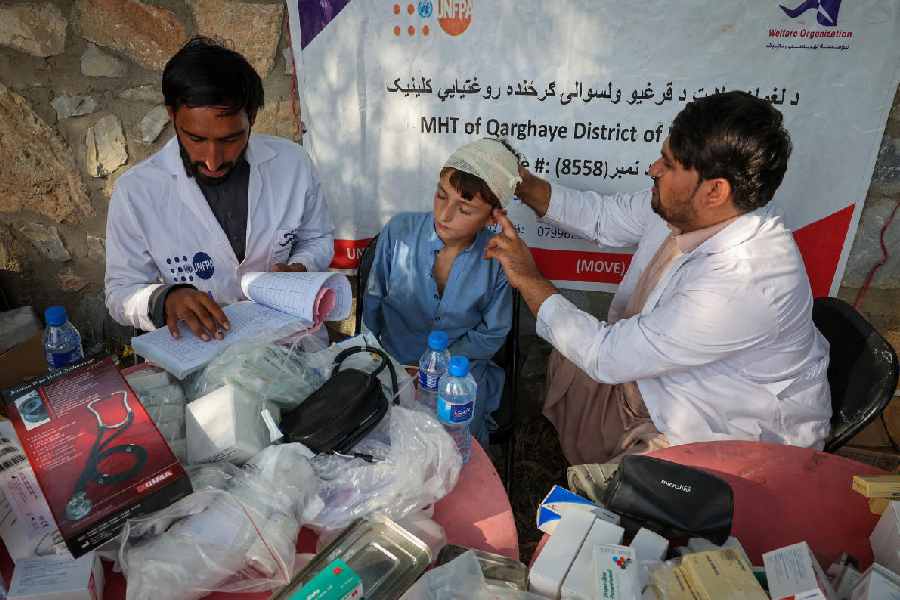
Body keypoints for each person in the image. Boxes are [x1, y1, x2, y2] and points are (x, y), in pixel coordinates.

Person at [485, 91, 831, 464]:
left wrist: (527, 277)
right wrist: (517, 181)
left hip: (729, 430)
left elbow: (605, 355)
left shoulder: (744, 283)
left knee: (629, 488)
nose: (653, 169)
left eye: (668, 163)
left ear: (715, 191)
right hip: (664, 379)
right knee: (571, 349)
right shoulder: (692, 209)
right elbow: (602, 216)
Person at [105, 37, 334, 339]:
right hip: (200, 352)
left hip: (289, 338)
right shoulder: (136, 192)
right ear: (172, 116)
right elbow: (121, 291)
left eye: (229, 140)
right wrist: (166, 299)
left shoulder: (293, 164)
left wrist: (301, 268)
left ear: (251, 118)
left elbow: (317, 238)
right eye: (196, 139)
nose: (213, 161)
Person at [363, 138, 518, 445]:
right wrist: (380, 360)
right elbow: (372, 304)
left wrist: (439, 367)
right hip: (394, 365)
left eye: (464, 208)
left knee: (451, 447)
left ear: (492, 217)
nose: (444, 215)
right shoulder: (399, 232)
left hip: (460, 376)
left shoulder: (497, 260)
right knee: (379, 441)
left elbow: (492, 334)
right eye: (440, 195)